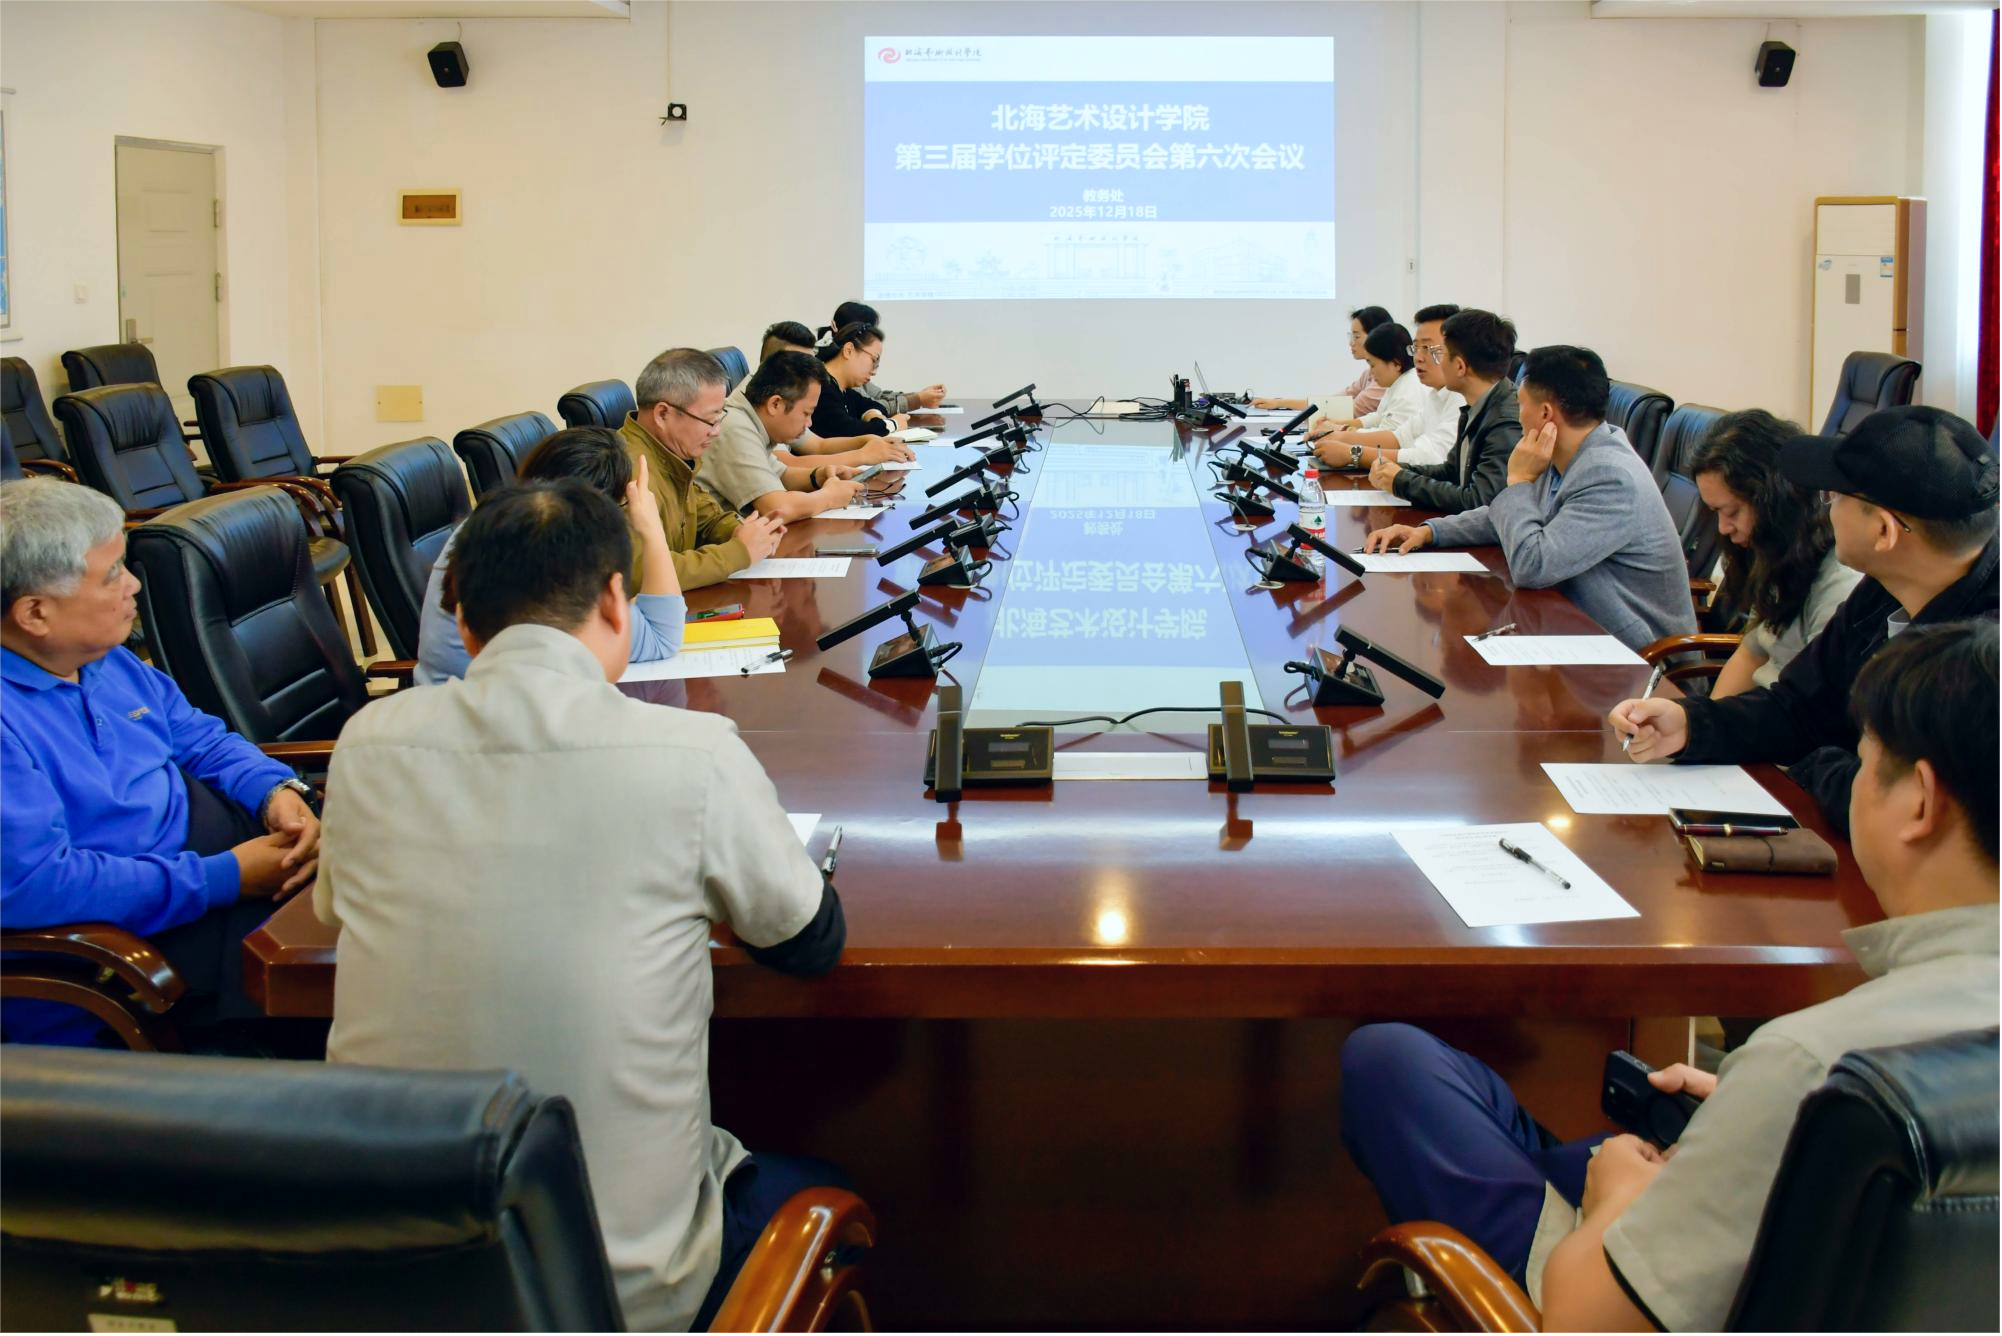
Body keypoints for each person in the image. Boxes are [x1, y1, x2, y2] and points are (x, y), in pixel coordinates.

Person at [1339, 618, 1999, 1332]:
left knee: (1388, 1063)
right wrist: (1748, 1111)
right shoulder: (1824, 1076)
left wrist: (1619, 1198)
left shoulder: (1810, 1064)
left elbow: (1584, 1323)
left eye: (1863, 762)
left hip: (1605, 1297)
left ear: (1920, 802)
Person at [318, 479, 848, 1333]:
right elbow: (808, 941)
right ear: (613, 599)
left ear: (464, 623)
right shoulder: (690, 752)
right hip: (619, 1292)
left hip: (389, 1277)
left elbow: (336, 912)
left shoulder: (368, 744)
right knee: (823, 1182)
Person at [0, 477, 319, 1047]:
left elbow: (201, 740)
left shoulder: (102, 659)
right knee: (360, 968)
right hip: (131, 943)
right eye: (112, 574)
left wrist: (275, 792)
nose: (134, 584)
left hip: (211, 864)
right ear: (35, 613)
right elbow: (39, 885)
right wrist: (229, 877)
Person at [1613, 405, 1999, 830]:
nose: (1824, 508)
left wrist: (1813, 766)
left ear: (1883, 531)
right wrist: (1690, 724)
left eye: (1835, 496)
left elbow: (1899, 798)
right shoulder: (1884, 587)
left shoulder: (1982, 656)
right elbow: (1798, 708)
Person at [1366, 345, 1695, 652]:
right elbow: (1501, 515)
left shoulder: (1610, 477)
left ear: (1546, 413)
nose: (1517, 413)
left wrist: (1519, 482)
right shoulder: (1572, 452)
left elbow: (1533, 566)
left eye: (1521, 404)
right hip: (1576, 625)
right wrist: (1430, 532)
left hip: (1637, 656)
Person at [415, 426, 687, 684]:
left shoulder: (493, 523)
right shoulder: (555, 550)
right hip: (490, 710)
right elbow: (661, 636)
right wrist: (651, 529)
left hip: (456, 700)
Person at [1688, 410, 1863, 697]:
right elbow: (1752, 653)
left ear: (1773, 501)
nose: (1722, 528)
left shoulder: (1841, 582)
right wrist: (1703, 718)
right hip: (1758, 711)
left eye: (1731, 512)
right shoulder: (1780, 554)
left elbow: (1815, 703)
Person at [618, 347, 785, 589]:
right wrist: (738, 552)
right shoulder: (630, 474)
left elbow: (706, 519)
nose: (716, 431)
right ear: (663, 414)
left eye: (719, 417)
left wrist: (745, 532)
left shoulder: (671, 455)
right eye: (710, 420)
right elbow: (642, 573)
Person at [1370, 309, 1522, 515]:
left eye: (1440, 355)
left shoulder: (1505, 421)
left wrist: (1401, 481)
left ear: (1459, 366)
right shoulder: (1478, 405)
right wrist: (1398, 469)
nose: (1436, 362)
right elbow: (1451, 471)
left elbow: (1479, 501)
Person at [700, 352, 872, 522]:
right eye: (806, 413)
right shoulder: (735, 428)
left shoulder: (752, 422)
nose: (809, 423)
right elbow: (777, 509)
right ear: (775, 404)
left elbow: (781, 475)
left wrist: (819, 476)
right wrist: (830, 496)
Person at [1313, 303, 1464, 470]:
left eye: (1428, 348)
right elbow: (1399, 437)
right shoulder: (1436, 395)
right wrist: (1341, 436)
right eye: (1416, 348)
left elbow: (1429, 457)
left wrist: (1353, 453)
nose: (1418, 357)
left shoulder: (1459, 399)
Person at [1252, 303, 1394, 417]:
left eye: (1356, 337)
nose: (1351, 343)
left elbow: (1348, 411)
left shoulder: (1384, 379)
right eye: (1351, 336)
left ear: (1376, 336)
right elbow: (1330, 402)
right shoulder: (1367, 374)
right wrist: (1279, 403)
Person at [820, 300, 946, 412]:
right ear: (849, 348)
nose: (873, 337)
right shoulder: (834, 376)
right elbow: (870, 406)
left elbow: (877, 396)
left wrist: (920, 396)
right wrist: (918, 400)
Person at [812, 322, 909, 440]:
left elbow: (873, 405)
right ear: (849, 350)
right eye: (874, 360)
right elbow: (847, 431)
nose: (874, 371)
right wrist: (893, 424)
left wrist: (872, 414)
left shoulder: (844, 390)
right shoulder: (820, 387)